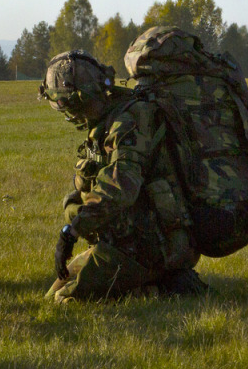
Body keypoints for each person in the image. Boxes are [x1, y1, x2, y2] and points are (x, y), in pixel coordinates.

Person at [38, 49, 205, 303]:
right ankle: (157, 281)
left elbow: (120, 187)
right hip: (123, 242)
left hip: (148, 247)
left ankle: (162, 286)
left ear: (78, 99)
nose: (64, 111)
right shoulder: (104, 122)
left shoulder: (129, 121)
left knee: (65, 301)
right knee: (51, 296)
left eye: (64, 103)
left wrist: (72, 231)